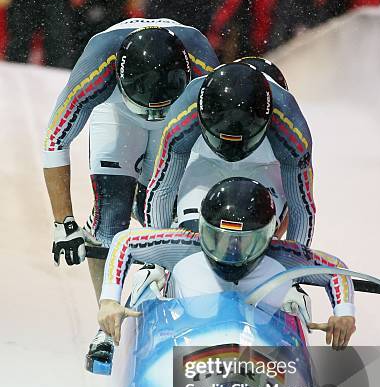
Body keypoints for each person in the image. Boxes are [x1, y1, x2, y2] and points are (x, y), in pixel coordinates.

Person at [43, 18, 219, 367]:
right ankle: (106, 325)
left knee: (172, 214)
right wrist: (63, 222)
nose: (152, 114)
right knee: (112, 208)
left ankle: (174, 301)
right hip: (119, 112)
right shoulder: (97, 69)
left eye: (159, 107)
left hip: (178, 118)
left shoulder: (204, 69)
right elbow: (55, 140)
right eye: (148, 106)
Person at [98, 178, 356, 354]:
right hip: (188, 343)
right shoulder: (184, 244)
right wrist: (109, 300)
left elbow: (336, 270)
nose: (232, 250)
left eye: (246, 242)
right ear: (203, 230)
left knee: (292, 299)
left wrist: (344, 313)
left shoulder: (282, 255)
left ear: (268, 236)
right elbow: (125, 242)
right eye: (220, 238)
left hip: (259, 350)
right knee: (150, 276)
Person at [144, 62, 315, 244]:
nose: (231, 150)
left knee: (254, 241)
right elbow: (164, 188)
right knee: (192, 238)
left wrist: (292, 260)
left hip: (265, 169)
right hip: (206, 164)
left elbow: (299, 207)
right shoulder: (183, 114)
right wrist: (154, 260)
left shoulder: (291, 129)